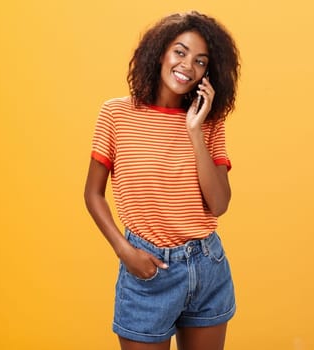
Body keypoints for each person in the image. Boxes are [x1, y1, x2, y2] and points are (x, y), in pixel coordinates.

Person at [83, 11, 241, 350]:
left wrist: (195, 130)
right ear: (160, 53)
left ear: (207, 74)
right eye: (180, 52)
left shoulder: (209, 123)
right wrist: (124, 251)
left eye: (200, 61)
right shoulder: (116, 114)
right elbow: (93, 194)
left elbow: (220, 204)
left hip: (207, 266)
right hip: (147, 269)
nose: (187, 65)